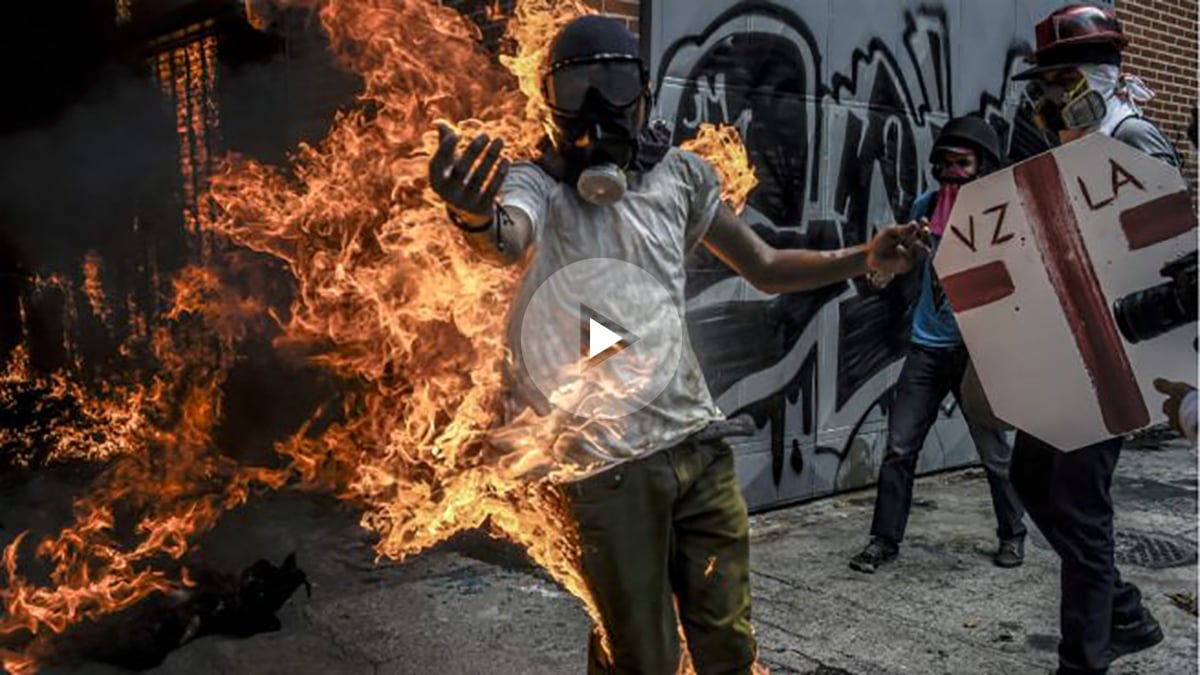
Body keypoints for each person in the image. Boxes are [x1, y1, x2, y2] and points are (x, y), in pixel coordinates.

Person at [427, 15, 926, 675]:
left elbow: (767, 267)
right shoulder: (536, 185)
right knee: (642, 656)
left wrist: (865, 255)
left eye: (615, 83)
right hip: (607, 472)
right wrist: (472, 216)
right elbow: (508, 237)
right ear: (548, 98)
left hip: (699, 447)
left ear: (645, 91)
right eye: (579, 88)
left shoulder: (683, 178)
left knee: (727, 645)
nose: (599, 106)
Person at [1008, 5, 1181, 673]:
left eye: (1055, 83)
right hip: (1066, 350)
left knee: (1082, 509)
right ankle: (1127, 613)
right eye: (1042, 85)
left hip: (1108, 354)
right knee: (1030, 476)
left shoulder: (1133, 142)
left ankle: (1085, 658)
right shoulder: (1078, 150)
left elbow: (1171, 262)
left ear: (1089, 81)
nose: (1045, 99)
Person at [848, 116, 1027, 574]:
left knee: (996, 454)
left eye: (962, 164)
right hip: (927, 348)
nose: (952, 172)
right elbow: (899, 267)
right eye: (945, 163)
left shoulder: (1000, 217)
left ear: (982, 166)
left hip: (976, 353)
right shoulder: (928, 207)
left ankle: (1013, 534)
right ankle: (883, 542)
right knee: (900, 449)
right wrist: (898, 262)